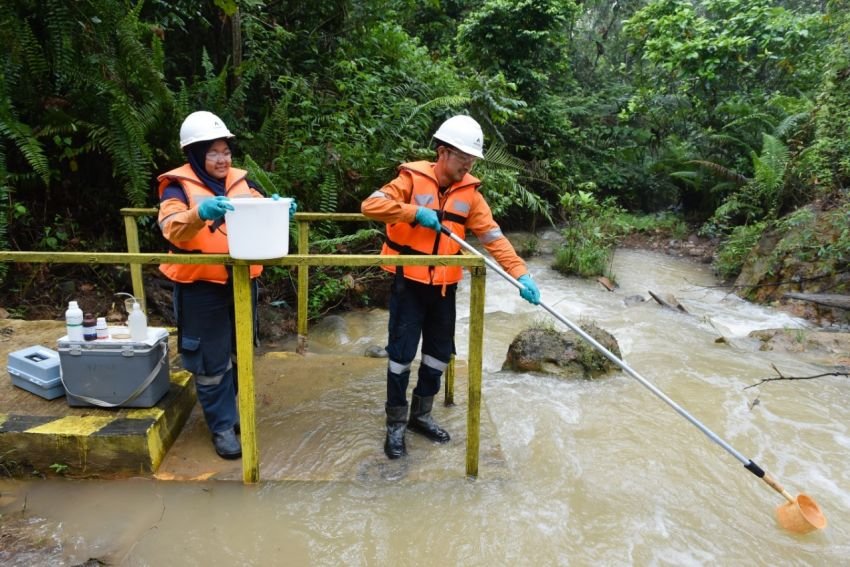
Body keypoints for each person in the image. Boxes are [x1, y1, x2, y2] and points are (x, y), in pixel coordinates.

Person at [361, 114, 541, 459]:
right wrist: (413, 213)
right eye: (463, 158)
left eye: (472, 160)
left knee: (439, 356)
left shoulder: (470, 194)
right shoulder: (410, 179)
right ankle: (395, 424)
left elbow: (493, 238)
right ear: (443, 152)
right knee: (400, 358)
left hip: (445, 287)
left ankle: (421, 415)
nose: (468, 165)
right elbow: (371, 205)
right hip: (409, 283)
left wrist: (521, 274)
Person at [157, 110, 296, 459]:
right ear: (195, 154)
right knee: (210, 362)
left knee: (238, 352)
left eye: (226, 152)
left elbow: (262, 212)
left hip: (239, 281)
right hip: (201, 288)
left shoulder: (242, 182)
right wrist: (199, 214)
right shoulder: (177, 187)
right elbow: (171, 226)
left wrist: (279, 209)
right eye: (214, 152)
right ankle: (221, 427)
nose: (222, 159)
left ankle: (232, 413)